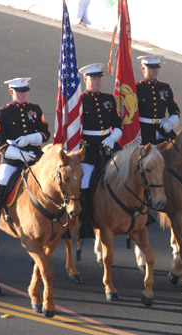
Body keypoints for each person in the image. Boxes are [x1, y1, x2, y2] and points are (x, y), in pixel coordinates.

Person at [0, 77, 50, 240]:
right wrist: (20, 154)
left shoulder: (35, 109)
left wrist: (30, 139)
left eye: (25, 92)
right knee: (2, 180)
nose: (23, 95)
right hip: (12, 157)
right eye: (19, 92)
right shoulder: (3, 112)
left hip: (34, 155)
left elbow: (45, 133)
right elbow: (0, 143)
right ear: (12, 92)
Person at [78, 63, 122, 238]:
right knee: (85, 182)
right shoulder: (79, 101)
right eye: (93, 79)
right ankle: (86, 218)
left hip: (109, 145)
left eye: (98, 78)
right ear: (85, 80)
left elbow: (117, 124)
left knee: (128, 174)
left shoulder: (108, 99)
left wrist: (113, 137)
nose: (97, 82)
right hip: (89, 149)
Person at [136, 55, 181, 145]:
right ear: (143, 69)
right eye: (151, 68)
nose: (155, 71)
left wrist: (170, 123)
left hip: (162, 129)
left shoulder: (165, 88)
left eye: (157, 68)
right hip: (143, 131)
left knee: (179, 150)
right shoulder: (136, 88)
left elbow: (175, 110)